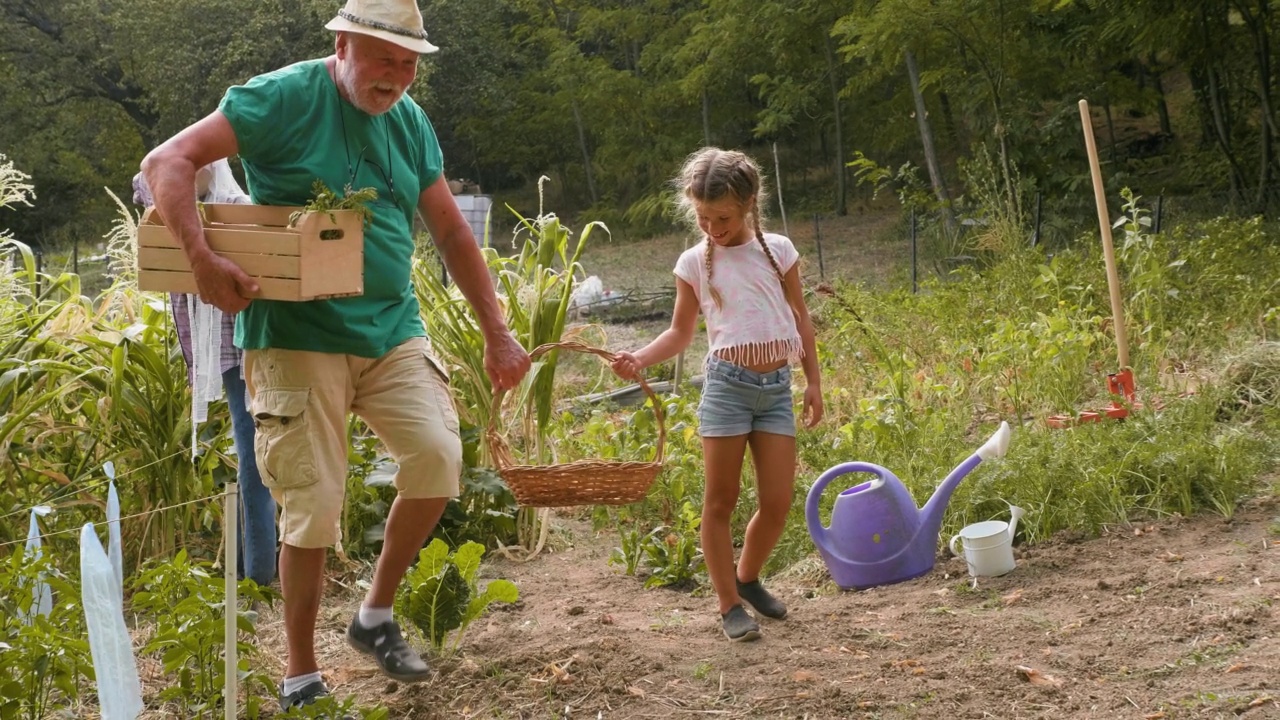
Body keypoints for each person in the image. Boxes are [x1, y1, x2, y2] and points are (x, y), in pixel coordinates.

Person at [139, 0, 531, 711]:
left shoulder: (409, 121)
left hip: (390, 330)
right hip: (296, 338)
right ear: (344, 43)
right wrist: (200, 261)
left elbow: (448, 229)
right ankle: (300, 673)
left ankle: (373, 617)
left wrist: (496, 331)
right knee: (311, 507)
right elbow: (168, 160)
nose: (398, 78)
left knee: (439, 458)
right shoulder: (281, 97)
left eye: (410, 64)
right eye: (385, 58)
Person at [610, 147, 823, 642]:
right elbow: (681, 334)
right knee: (719, 502)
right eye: (703, 218)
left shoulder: (781, 250)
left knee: (776, 503)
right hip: (727, 388)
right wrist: (639, 358)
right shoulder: (693, 262)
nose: (713, 228)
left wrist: (813, 380)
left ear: (749, 203)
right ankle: (729, 604)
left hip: (775, 390)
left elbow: (800, 318)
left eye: (723, 217)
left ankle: (747, 578)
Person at [132, 160, 278, 589]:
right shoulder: (178, 210)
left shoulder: (237, 207)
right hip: (220, 347)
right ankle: (246, 569)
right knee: (248, 449)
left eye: (192, 171)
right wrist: (175, 174)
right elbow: (145, 181)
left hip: (247, 343)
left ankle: (256, 577)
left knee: (254, 453)